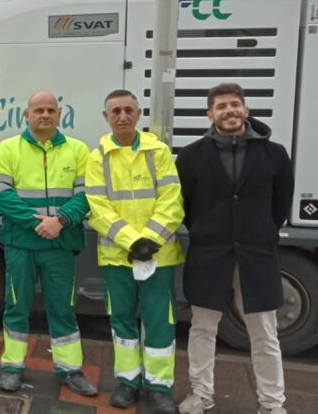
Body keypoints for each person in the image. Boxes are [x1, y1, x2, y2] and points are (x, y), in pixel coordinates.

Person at [176, 83, 293, 414]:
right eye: (222, 106)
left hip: (256, 256)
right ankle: (201, 394)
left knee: (265, 334)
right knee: (202, 329)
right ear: (209, 114)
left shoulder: (274, 154)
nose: (229, 111)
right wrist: (204, 231)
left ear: (246, 110)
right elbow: (185, 204)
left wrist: (264, 233)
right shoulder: (192, 155)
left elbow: (280, 204)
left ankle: (272, 404)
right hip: (209, 255)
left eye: (235, 105)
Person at [0, 91, 98, 396]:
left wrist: (60, 221)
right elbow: (1, 193)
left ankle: (69, 370)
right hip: (21, 245)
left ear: (60, 114)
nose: (45, 114)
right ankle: (12, 366)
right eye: (39, 109)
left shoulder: (78, 150)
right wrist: (38, 222)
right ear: (26, 115)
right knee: (16, 306)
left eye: (51, 109)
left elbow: (86, 195)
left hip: (60, 246)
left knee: (63, 309)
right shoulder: (8, 149)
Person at [85, 90, 183, 414]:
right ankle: (127, 383)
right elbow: (97, 207)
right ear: (106, 117)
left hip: (159, 256)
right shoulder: (98, 156)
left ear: (138, 114)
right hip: (117, 257)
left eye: (129, 110)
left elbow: (172, 200)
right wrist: (133, 242)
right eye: (116, 111)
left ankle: (159, 388)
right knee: (122, 322)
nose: (123, 116)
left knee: (160, 323)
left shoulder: (159, 152)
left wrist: (151, 240)